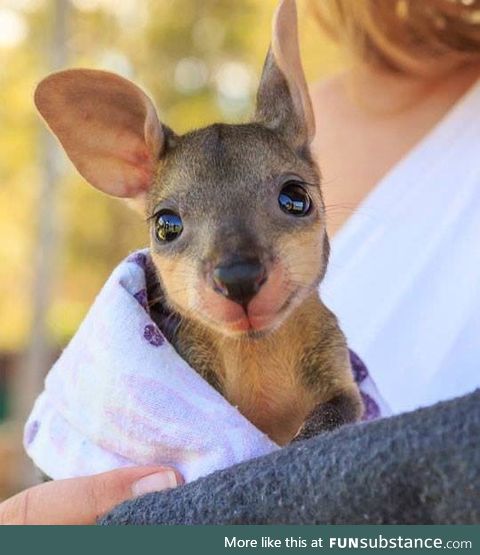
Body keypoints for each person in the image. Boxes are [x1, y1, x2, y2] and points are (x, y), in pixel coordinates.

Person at [2, 0, 479, 524]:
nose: (236, 270)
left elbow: (341, 407)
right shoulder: (155, 357)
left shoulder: (318, 335)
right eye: (171, 228)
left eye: (292, 201)